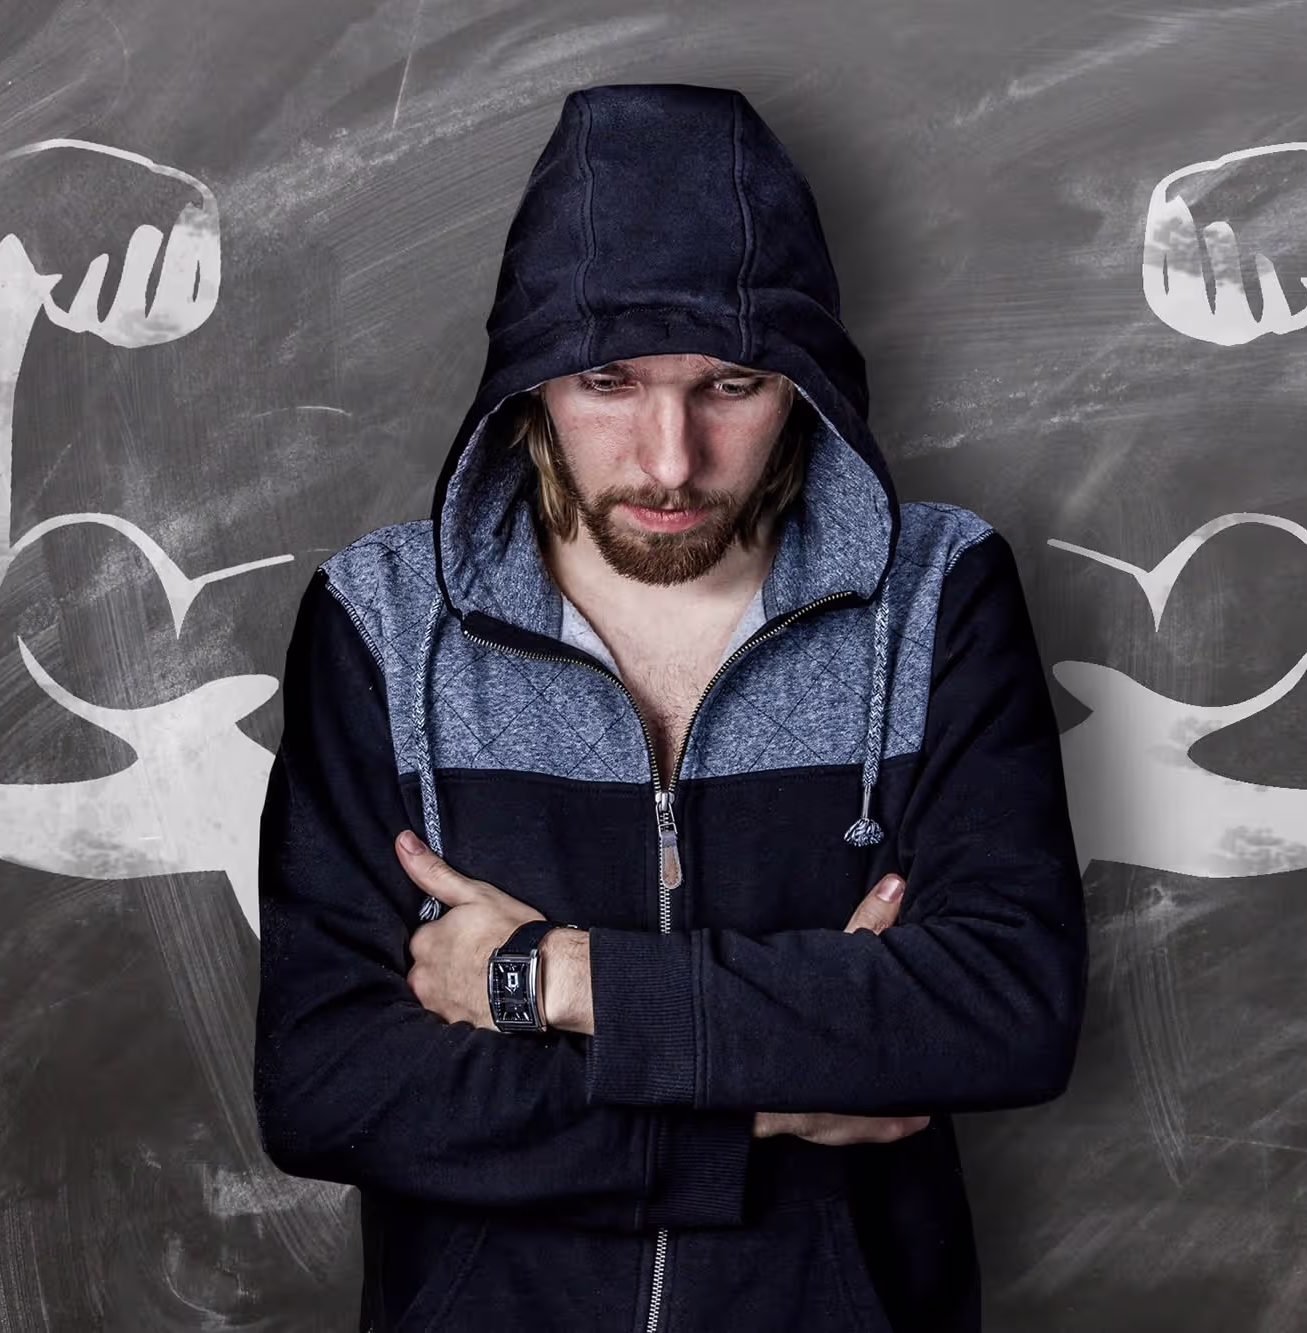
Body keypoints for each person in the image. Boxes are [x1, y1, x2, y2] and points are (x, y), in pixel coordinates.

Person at [253, 82, 1088, 1333]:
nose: (667, 459)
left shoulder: (937, 595)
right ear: (529, 385)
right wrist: (757, 1107)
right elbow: (327, 1086)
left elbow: (1002, 1011)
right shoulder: (381, 618)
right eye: (605, 381)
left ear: (803, 385)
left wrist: (558, 982)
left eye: (731, 386)